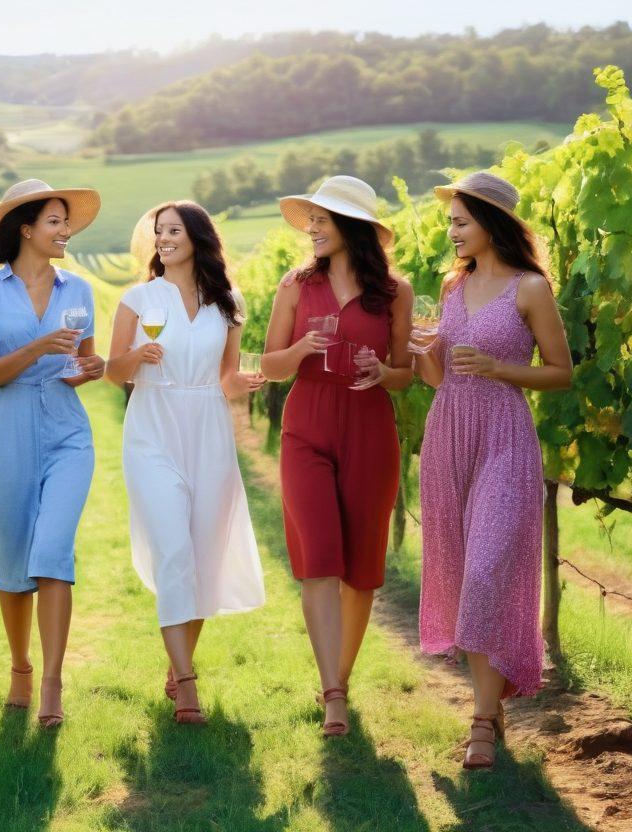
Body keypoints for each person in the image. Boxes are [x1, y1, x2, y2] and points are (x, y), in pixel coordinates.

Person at [413, 171, 572, 769]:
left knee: (486, 570)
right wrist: (422, 355)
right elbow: (441, 377)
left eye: (460, 222)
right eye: (450, 222)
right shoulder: (453, 289)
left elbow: (561, 372)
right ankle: (488, 703)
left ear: (491, 224)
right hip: (448, 433)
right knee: (459, 572)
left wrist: (501, 368)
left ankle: (481, 719)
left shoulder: (530, 288)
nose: (451, 233)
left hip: (505, 437)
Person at [260, 175, 412, 737]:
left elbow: (405, 376)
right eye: (312, 220)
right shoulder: (296, 284)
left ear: (353, 227)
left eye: (323, 219)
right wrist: (301, 349)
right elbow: (271, 365)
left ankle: (341, 678)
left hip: (369, 428)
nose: (313, 229)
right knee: (319, 557)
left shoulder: (395, 291)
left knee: (362, 572)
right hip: (307, 426)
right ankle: (332, 694)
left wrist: (383, 373)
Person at [105, 201, 266, 724]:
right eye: (159, 233)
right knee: (174, 549)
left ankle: (179, 663)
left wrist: (249, 382)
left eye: (174, 231)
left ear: (197, 236)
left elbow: (226, 378)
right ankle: (189, 685)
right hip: (153, 429)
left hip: (210, 430)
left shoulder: (228, 303)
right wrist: (136, 359)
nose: (164, 240)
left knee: (203, 556)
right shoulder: (138, 298)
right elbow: (112, 372)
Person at [0, 179, 106, 728]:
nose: (65, 230)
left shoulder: (80, 290)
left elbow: (84, 365)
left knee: (53, 553)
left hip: (68, 432)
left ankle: (52, 683)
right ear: (25, 228)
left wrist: (91, 370)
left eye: (66, 222)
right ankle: (20, 665)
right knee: (12, 557)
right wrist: (37, 347)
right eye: (54, 221)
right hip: (9, 428)